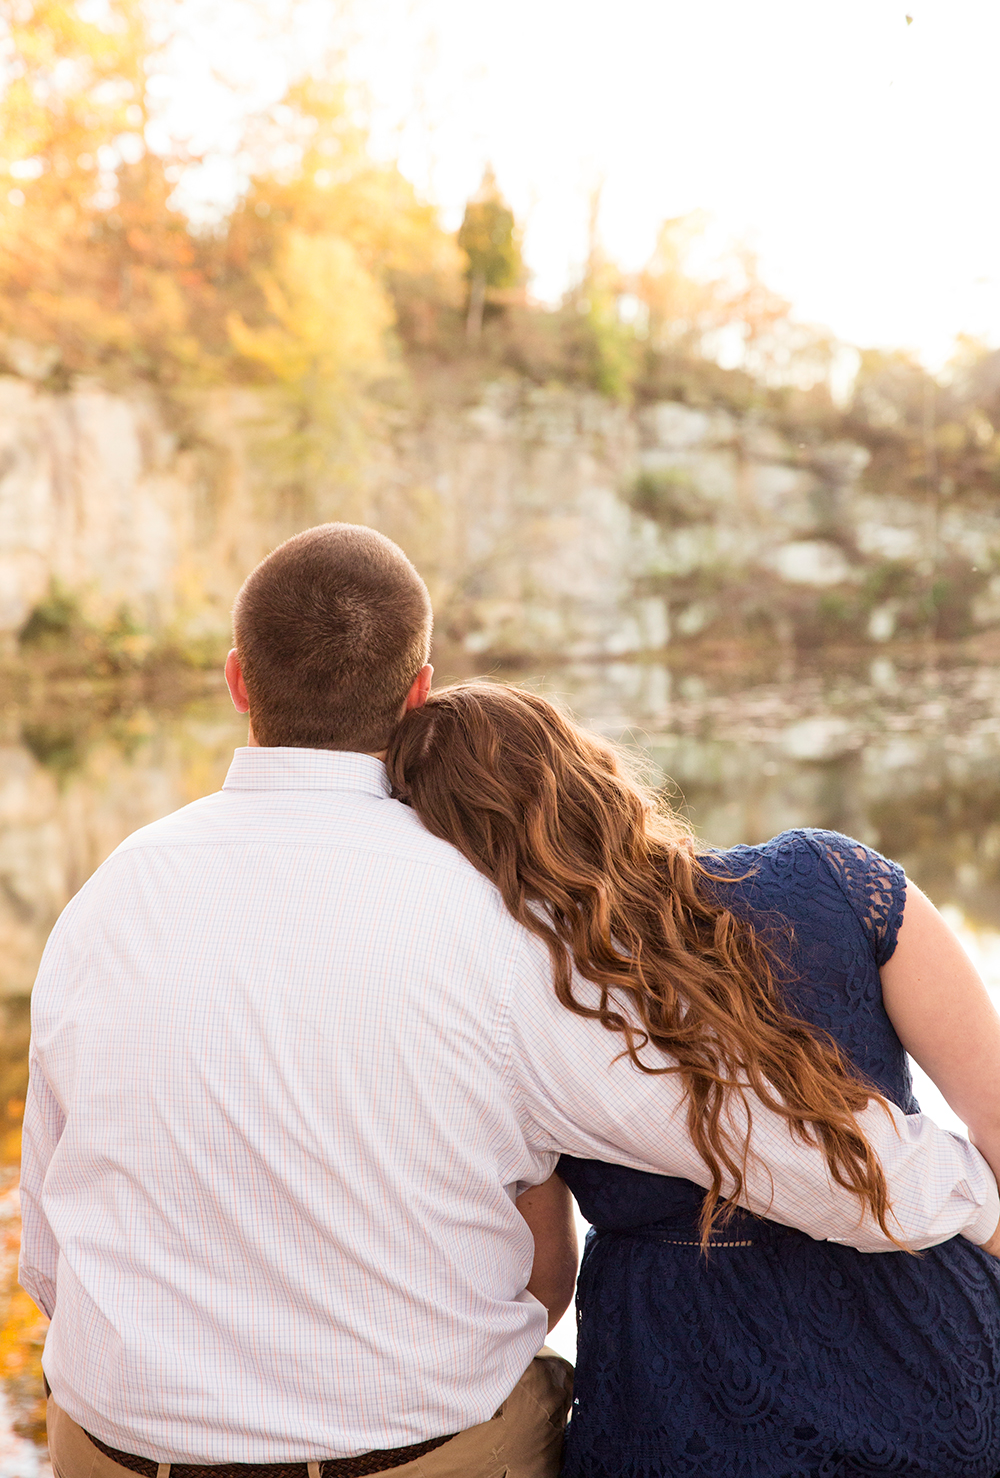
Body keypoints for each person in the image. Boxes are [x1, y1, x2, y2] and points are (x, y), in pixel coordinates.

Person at [19, 526, 1000, 1478]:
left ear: (238, 679)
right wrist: (964, 1200)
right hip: (404, 1462)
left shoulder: (107, 897)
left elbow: (50, 1250)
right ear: (415, 694)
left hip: (109, 1449)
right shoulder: (493, 923)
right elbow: (744, 1130)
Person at [384, 681, 1000, 1478]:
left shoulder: (516, 996)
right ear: (590, 770)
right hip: (924, 1332)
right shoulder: (838, 879)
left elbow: (544, 1277)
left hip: (682, 1382)